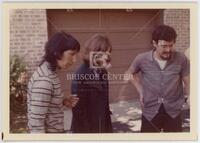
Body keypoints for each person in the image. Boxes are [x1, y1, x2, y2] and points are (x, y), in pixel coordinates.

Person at [127, 25, 190, 132]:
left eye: (171, 45)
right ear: (154, 43)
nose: (168, 50)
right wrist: (141, 90)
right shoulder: (142, 58)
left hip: (173, 112)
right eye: (164, 46)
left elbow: (188, 81)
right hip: (150, 112)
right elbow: (128, 74)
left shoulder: (181, 59)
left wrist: (189, 97)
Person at [27, 32, 80, 133]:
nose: (74, 60)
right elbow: (36, 125)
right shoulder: (44, 80)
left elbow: (47, 105)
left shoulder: (50, 72)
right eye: (72, 54)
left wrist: (62, 101)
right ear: (57, 53)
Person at [71, 34, 113, 133]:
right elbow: (78, 110)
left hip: (103, 125)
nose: (107, 57)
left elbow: (104, 101)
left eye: (108, 53)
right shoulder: (80, 74)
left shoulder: (103, 71)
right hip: (87, 128)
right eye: (104, 53)